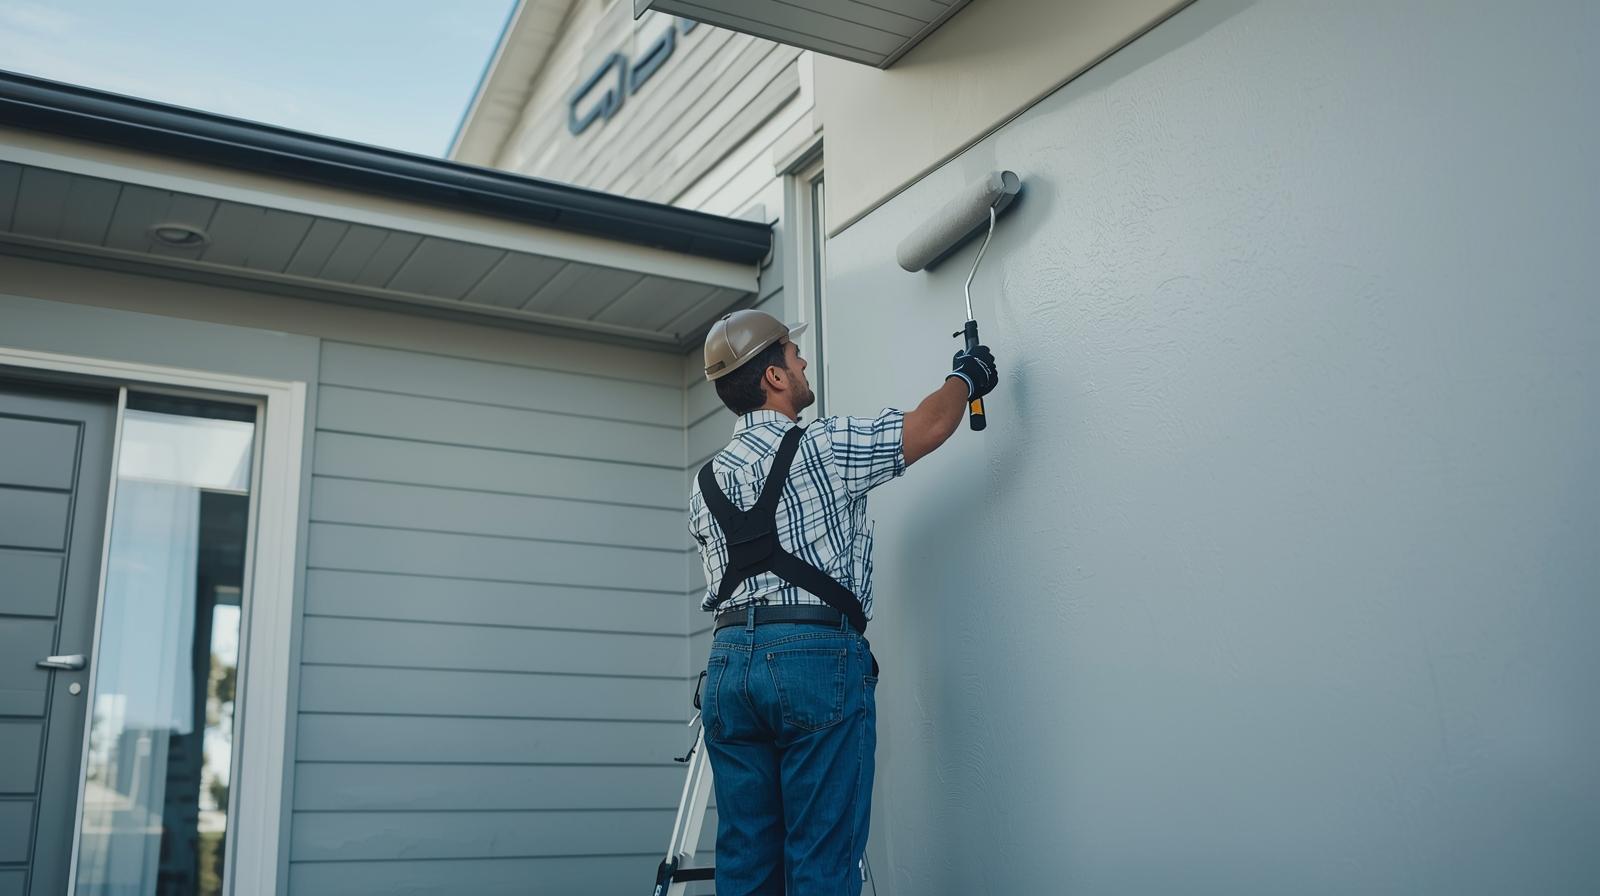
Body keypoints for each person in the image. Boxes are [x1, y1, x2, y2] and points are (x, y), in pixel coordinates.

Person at [689, 309, 998, 895]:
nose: (803, 361)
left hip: (728, 668)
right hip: (812, 663)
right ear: (774, 377)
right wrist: (967, 375)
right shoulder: (826, 446)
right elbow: (931, 424)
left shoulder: (704, 483)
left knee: (747, 864)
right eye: (792, 352)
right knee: (821, 864)